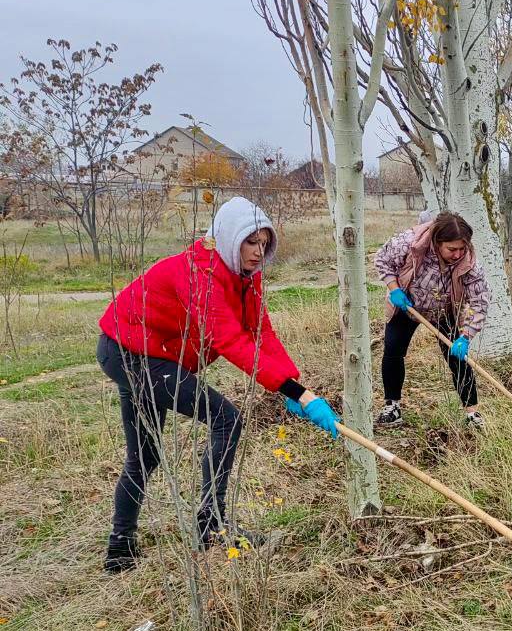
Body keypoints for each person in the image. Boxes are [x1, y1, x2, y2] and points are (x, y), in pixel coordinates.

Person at [97, 196, 340, 573]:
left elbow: (260, 331)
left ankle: (121, 545)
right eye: (250, 242)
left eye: (264, 243)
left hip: (158, 354)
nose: (258, 252)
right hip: (129, 352)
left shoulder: (245, 277)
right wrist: (295, 393)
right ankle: (208, 526)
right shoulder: (199, 274)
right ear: (229, 238)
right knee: (226, 420)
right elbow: (227, 339)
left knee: (146, 454)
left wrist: (292, 383)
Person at [375, 211, 493, 430]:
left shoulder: (469, 263)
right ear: (437, 242)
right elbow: (382, 258)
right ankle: (392, 407)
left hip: (443, 310)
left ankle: (472, 415)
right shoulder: (410, 242)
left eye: (462, 248)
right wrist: (394, 288)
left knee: (458, 359)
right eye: (452, 249)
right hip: (406, 305)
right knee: (393, 350)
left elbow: (480, 300)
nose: (458, 254)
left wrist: (466, 336)